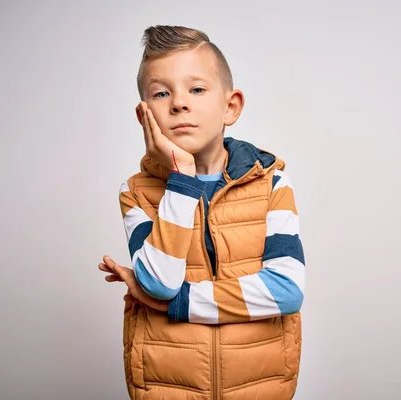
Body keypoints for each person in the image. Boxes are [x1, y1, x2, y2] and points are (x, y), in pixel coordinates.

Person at [98, 25, 306, 400]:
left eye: (196, 89)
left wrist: (177, 302)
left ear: (231, 106)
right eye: (161, 93)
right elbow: (160, 281)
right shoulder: (137, 193)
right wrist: (182, 178)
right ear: (145, 115)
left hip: (261, 388)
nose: (179, 103)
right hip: (167, 389)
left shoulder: (272, 184)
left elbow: (286, 291)